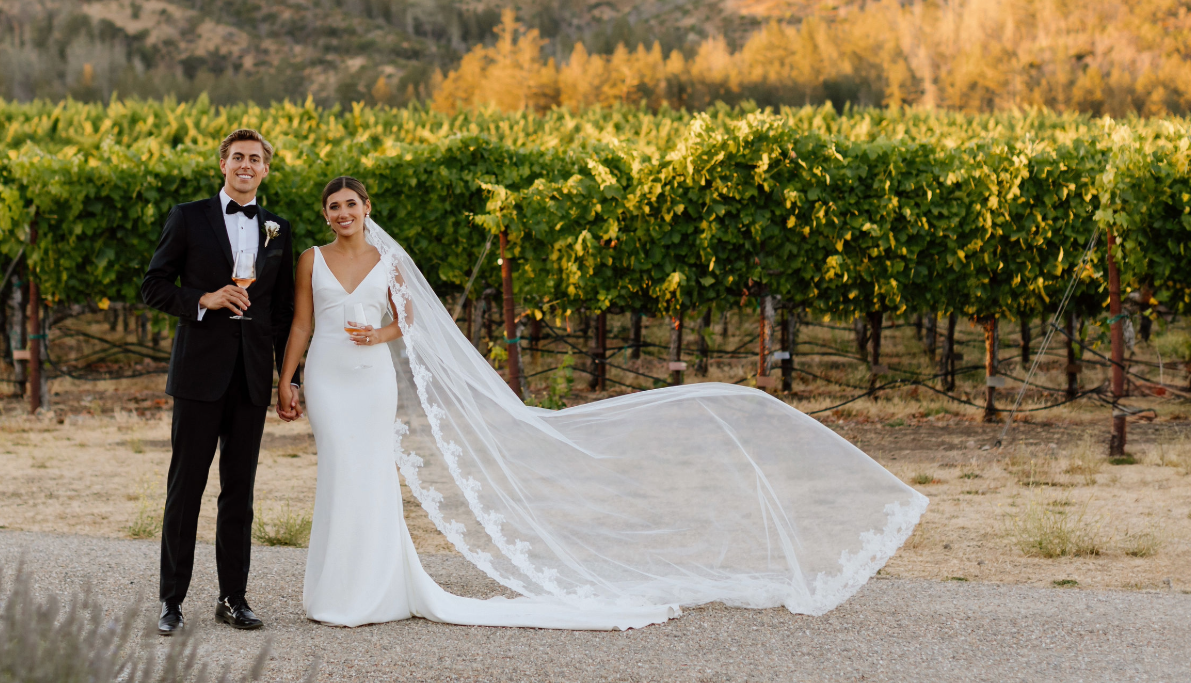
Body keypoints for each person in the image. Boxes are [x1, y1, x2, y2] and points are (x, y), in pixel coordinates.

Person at [277, 176, 927, 629]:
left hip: (373, 379)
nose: (341, 213)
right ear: (325, 213)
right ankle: (336, 592)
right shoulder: (310, 260)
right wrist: (291, 379)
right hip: (332, 380)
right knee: (339, 475)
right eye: (333, 206)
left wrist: (380, 333)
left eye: (350, 205)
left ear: (367, 209)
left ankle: (378, 592)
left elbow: (409, 323)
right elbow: (303, 325)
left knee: (372, 478)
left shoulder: (390, 261)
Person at [139, 128, 294, 637]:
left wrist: (285, 378)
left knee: (239, 493)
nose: (246, 165)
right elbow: (154, 287)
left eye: (255, 159)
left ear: (265, 170)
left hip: (249, 380)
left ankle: (233, 598)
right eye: (238, 158)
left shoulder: (277, 227)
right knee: (185, 489)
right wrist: (203, 299)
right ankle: (172, 601)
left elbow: (281, 310)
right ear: (222, 165)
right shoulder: (188, 216)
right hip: (199, 375)